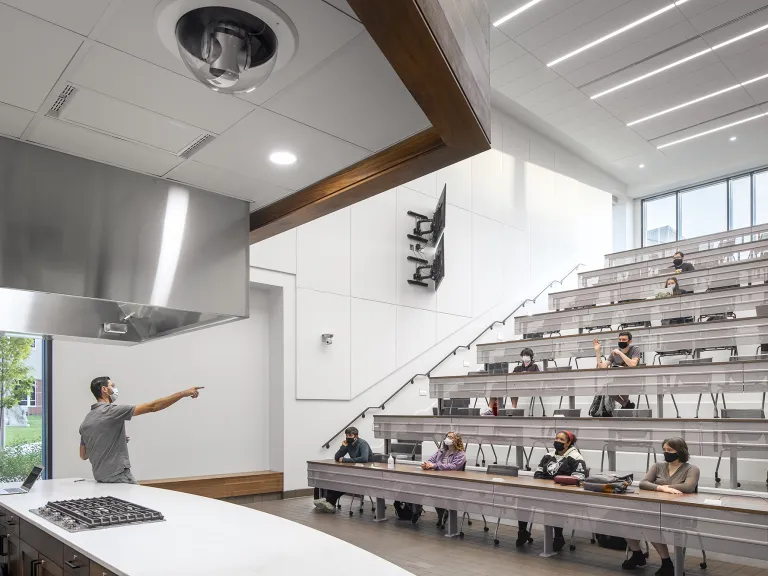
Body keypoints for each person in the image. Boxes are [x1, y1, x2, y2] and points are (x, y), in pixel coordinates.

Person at [79, 376, 203, 485]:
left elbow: (83, 455)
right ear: (104, 390)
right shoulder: (110, 411)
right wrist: (183, 393)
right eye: (113, 386)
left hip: (100, 479)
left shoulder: (86, 421)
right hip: (118, 476)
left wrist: (111, 440)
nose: (115, 389)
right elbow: (152, 407)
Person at [623, 438, 700, 576]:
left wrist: (664, 487)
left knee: (650, 523)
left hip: (679, 512)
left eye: (670, 450)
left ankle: (666, 563)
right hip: (653, 508)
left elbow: (688, 487)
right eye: (664, 450)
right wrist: (661, 488)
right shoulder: (658, 466)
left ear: (680, 451)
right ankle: (637, 554)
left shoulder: (691, 469)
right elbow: (643, 483)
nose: (666, 453)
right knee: (626, 519)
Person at [519, 430, 587, 550]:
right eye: (556, 438)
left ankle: (559, 537)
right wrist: (543, 485)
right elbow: (538, 473)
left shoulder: (576, 457)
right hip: (545, 493)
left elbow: (579, 478)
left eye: (561, 439)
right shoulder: (548, 456)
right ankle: (523, 532)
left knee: (554, 503)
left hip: (565, 495)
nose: (557, 441)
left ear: (568, 443)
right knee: (523, 499)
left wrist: (557, 484)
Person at [313, 427, 372, 512]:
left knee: (344, 482)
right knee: (336, 479)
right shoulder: (348, 444)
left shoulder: (362, 443)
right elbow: (337, 457)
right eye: (347, 435)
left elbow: (364, 458)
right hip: (355, 471)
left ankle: (328, 501)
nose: (348, 437)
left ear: (356, 436)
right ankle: (329, 502)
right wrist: (343, 447)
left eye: (350, 435)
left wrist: (345, 460)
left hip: (366, 473)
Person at [413, 432, 467, 525]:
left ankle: (442, 515)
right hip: (436, 479)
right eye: (447, 437)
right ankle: (416, 512)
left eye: (450, 437)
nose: (447, 439)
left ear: (457, 440)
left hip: (451, 482)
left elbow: (453, 466)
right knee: (417, 488)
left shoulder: (461, 454)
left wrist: (434, 465)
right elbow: (431, 460)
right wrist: (427, 465)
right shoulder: (441, 451)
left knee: (436, 493)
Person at [594, 332, 640, 409]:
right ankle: (626, 404)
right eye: (620, 339)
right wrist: (597, 351)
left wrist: (620, 353)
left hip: (633, 380)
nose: (621, 341)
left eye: (624, 339)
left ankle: (626, 406)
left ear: (630, 341)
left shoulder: (635, 349)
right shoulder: (614, 353)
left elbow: (633, 364)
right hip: (618, 380)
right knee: (606, 388)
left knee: (622, 386)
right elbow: (602, 366)